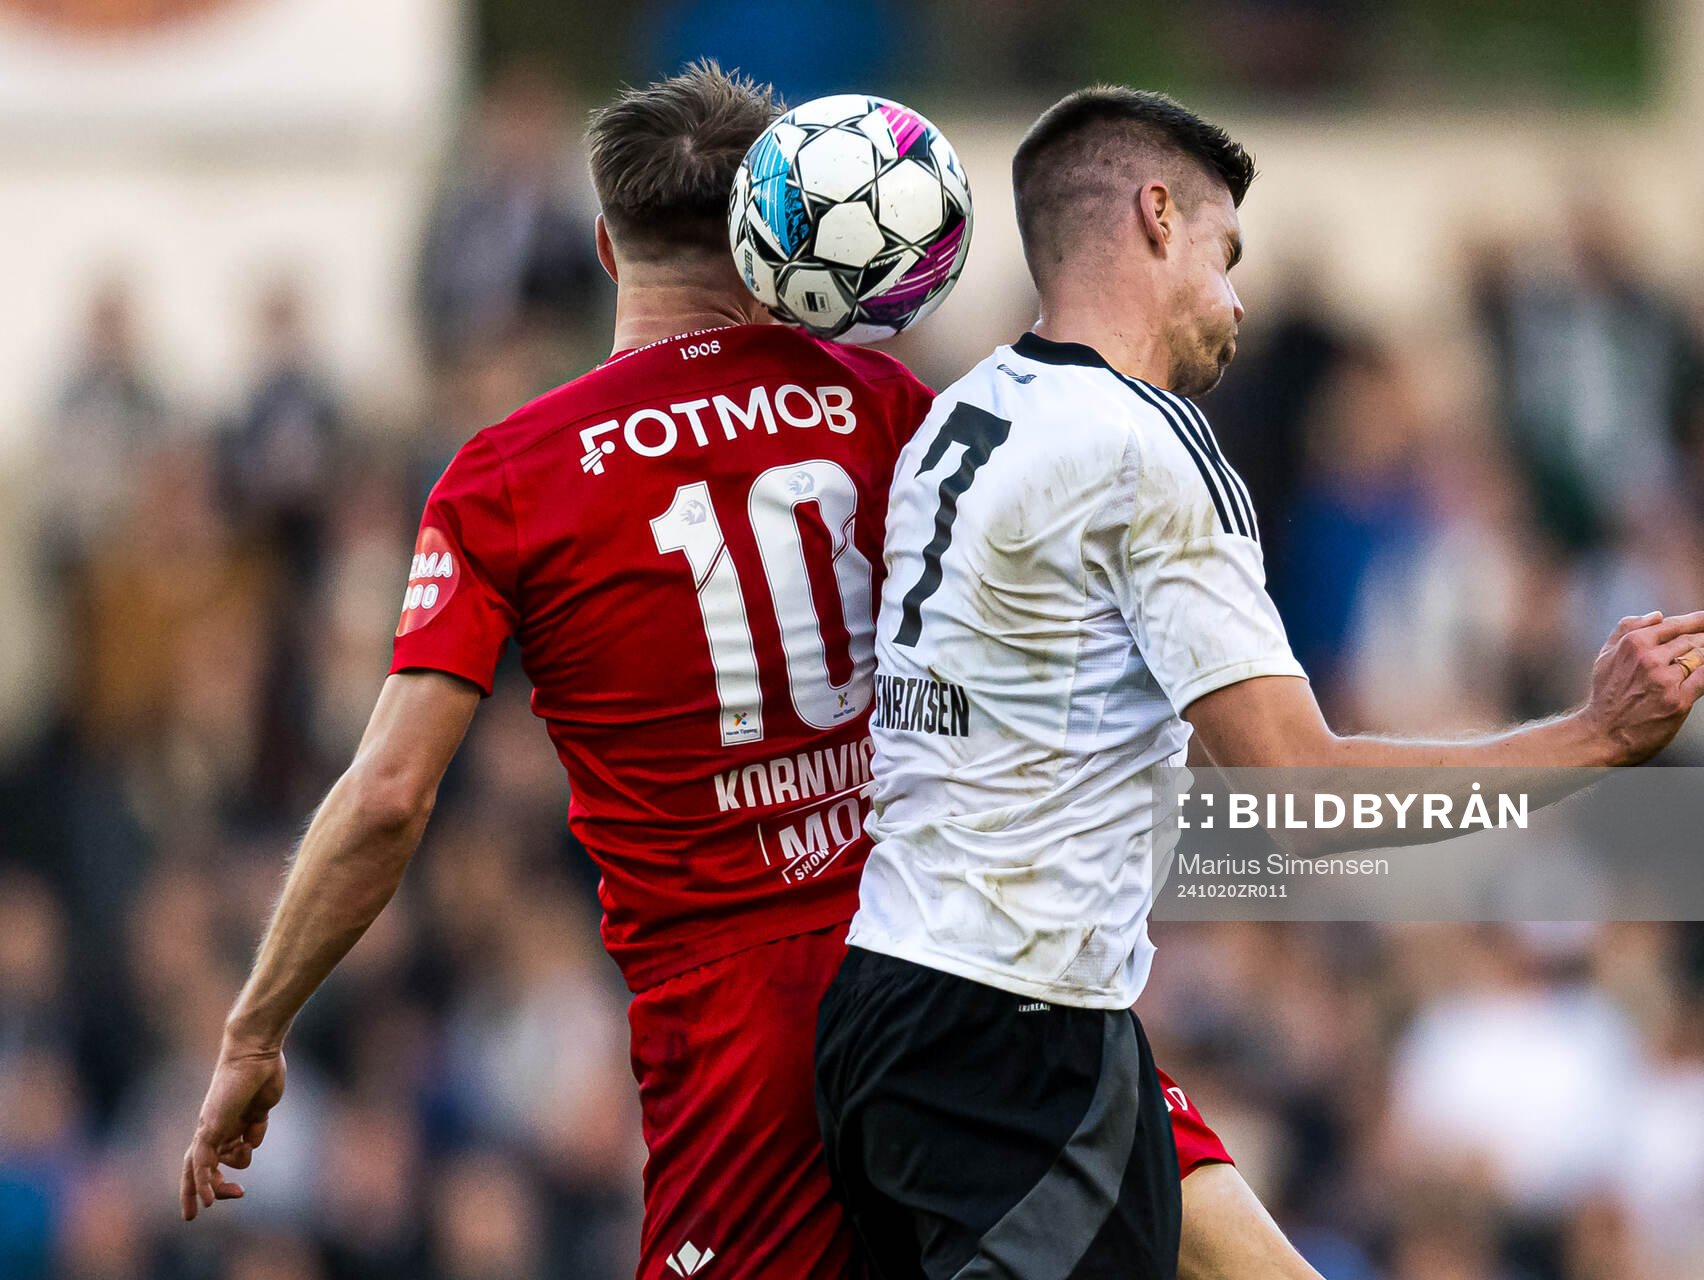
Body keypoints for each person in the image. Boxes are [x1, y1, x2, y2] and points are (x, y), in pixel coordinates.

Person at [179, 64, 1273, 1280]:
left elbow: (389, 796)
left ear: (607, 246)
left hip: (739, 1027)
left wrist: (256, 1025)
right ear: (774, 241)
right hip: (960, 956)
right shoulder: (895, 408)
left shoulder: (509, 477)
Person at [814, 85, 1704, 1280]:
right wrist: (1595, 738)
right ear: (1157, 217)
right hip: (1014, 1034)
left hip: (907, 1000)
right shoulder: (1145, 444)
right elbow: (1301, 794)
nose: (1238, 300)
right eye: (1227, 253)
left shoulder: (964, 413)